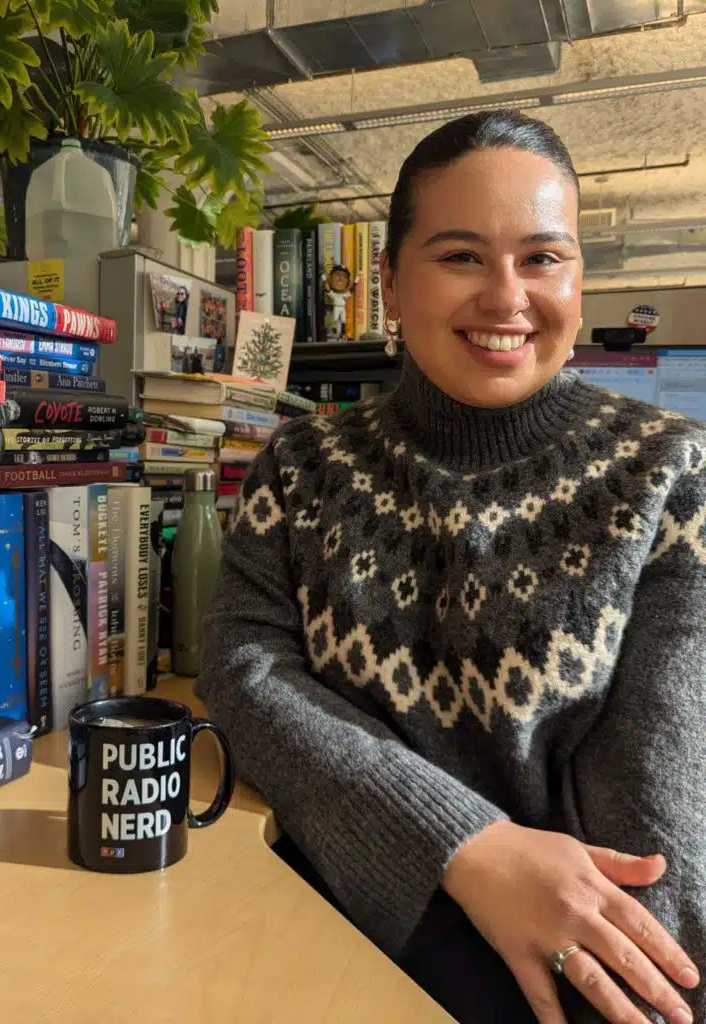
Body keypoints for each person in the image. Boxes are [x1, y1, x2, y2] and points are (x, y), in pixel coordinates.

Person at [196, 109, 706, 1024]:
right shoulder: (303, 466)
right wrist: (466, 845)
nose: (507, 297)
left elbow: (658, 816)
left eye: (542, 258)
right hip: (322, 941)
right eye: (463, 256)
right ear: (392, 284)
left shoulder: (672, 471)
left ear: (577, 279)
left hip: (574, 981)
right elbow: (244, 672)